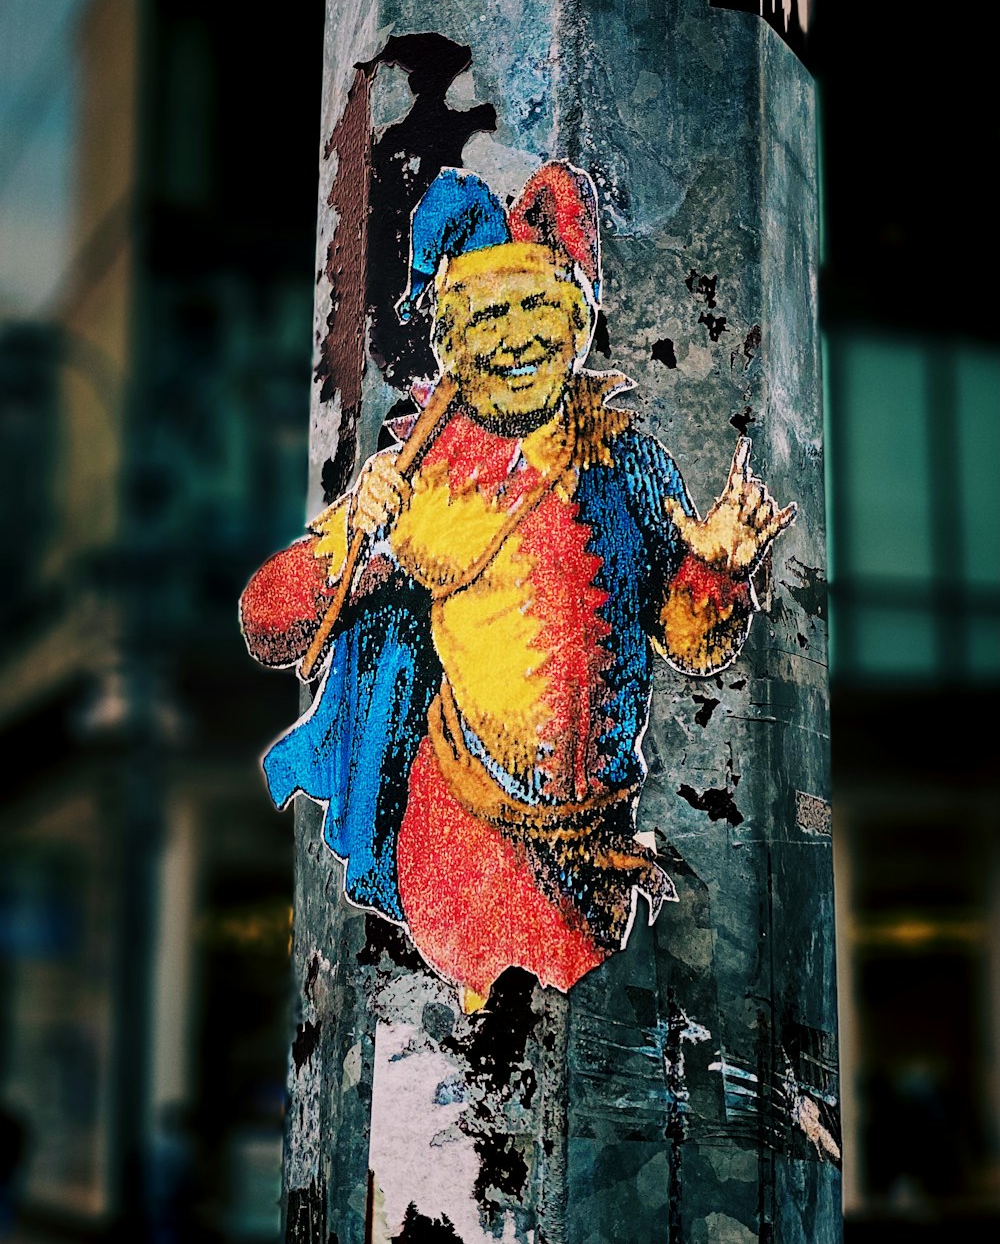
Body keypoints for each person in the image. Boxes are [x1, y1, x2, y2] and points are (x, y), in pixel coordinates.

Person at [241, 162, 795, 1012]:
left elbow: (688, 641)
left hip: (596, 860)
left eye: (539, 307)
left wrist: (717, 567)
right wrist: (355, 528)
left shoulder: (629, 461)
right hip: (469, 855)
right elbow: (268, 623)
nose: (518, 337)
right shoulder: (420, 477)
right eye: (491, 315)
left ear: (575, 316)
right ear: (452, 338)